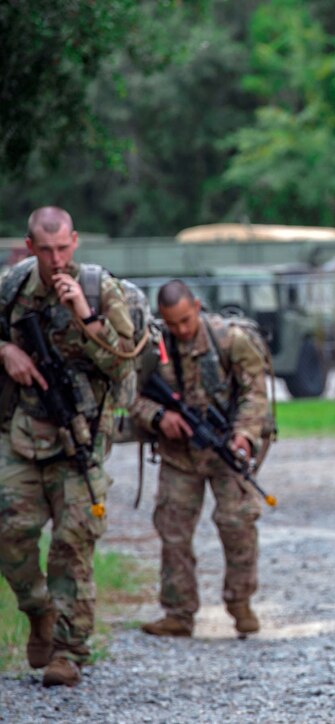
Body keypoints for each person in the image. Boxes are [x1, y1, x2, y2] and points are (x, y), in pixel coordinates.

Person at [0, 206, 135, 687]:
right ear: (30, 245)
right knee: (10, 533)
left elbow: (123, 364)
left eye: (64, 248)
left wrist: (86, 314)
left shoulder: (100, 289)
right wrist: (5, 350)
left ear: (75, 242)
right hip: (22, 432)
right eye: (46, 249)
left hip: (81, 436)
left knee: (72, 543)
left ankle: (68, 651)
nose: (56, 260)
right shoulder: (13, 287)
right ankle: (37, 610)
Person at [134, 280, 269, 639]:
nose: (180, 329)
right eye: (171, 323)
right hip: (179, 455)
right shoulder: (152, 347)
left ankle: (240, 602)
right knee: (173, 532)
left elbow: (255, 395)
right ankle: (178, 613)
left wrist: (244, 435)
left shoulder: (230, 340)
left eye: (185, 320)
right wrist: (160, 418)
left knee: (237, 523)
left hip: (225, 448)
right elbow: (128, 395)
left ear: (196, 306)